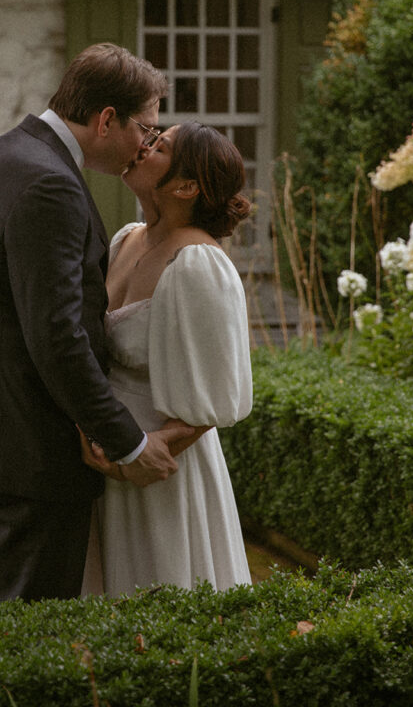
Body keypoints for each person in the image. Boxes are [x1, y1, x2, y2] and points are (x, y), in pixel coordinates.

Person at [0, 43, 195, 605]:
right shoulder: (50, 184)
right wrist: (129, 444)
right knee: (21, 637)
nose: (146, 145)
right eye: (145, 128)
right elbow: (57, 336)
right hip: (26, 447)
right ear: (106, 119)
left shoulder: (3, 152)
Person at [80, 122, 254, 596]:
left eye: (160, 146)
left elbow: (216, 399)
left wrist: (138, 458)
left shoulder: (200, 264)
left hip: (160, 473)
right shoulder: (124, 239)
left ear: (186, 186)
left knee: (160, 591)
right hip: (106, 450)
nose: (143, 146)